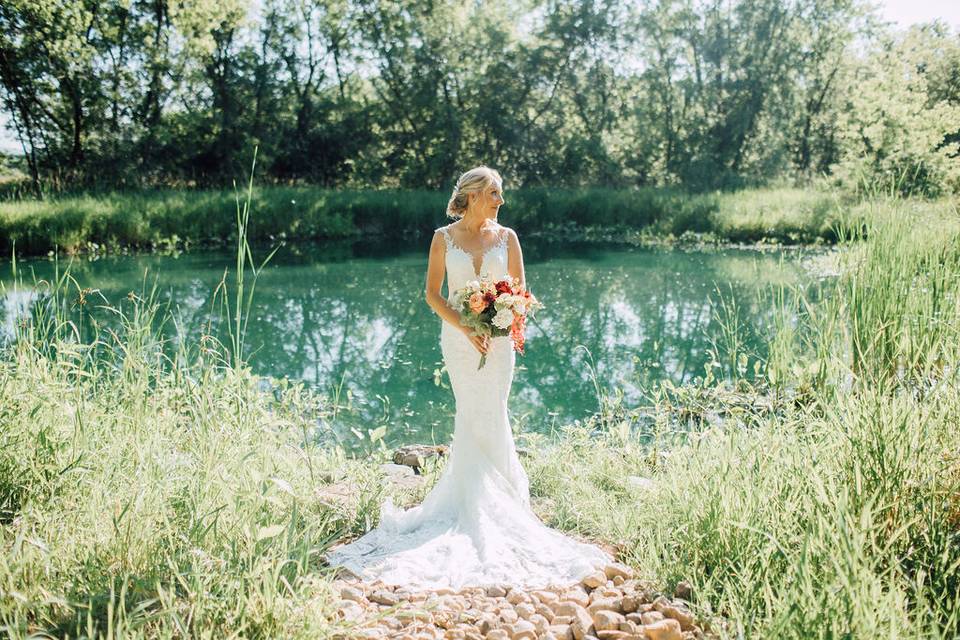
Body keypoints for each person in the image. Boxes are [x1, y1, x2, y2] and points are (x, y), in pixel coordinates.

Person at [324, 166, 612, 591]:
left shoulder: (508, 237)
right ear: (474, 195)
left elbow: (520, 293)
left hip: (497, 345)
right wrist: (467, 327)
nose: (501, 200)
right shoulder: (443, 238)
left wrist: (508, 327)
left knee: (494, 411)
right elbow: (432, 295)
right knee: (471, 413)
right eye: (495, 192)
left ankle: (508, 502)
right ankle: (468, 504)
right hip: (459, 341)